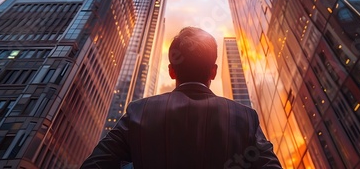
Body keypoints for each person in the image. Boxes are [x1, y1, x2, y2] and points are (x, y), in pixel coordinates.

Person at [80, 27, 282, 168]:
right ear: (213, 72)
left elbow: (95, 164)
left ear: (171, 71)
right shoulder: (245, 117)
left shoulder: (139, 111)